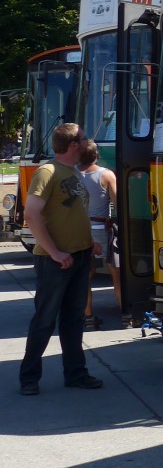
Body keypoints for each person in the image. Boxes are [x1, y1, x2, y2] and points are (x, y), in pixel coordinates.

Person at [18, 123, 104, 395]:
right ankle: (29, 379)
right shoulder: (48, 171)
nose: (87, 142)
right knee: (45, 320)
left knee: (73, 319)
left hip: (79, 256)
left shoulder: (73, 172)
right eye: (83, 138)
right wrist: (55, 252)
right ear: (73, 144)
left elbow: (71, 213)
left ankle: (76, 374)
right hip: (55, 261)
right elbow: (31, 215)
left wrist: (89, 243)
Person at [78, 139, 121, 329]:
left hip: (81, 230)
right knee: (115, 271)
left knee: (86, 274)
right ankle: (125, 313)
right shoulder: (106, 175)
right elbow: (118, 204)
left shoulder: (73, 175)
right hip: (101, 228)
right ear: (97, 155)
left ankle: (88, 316)